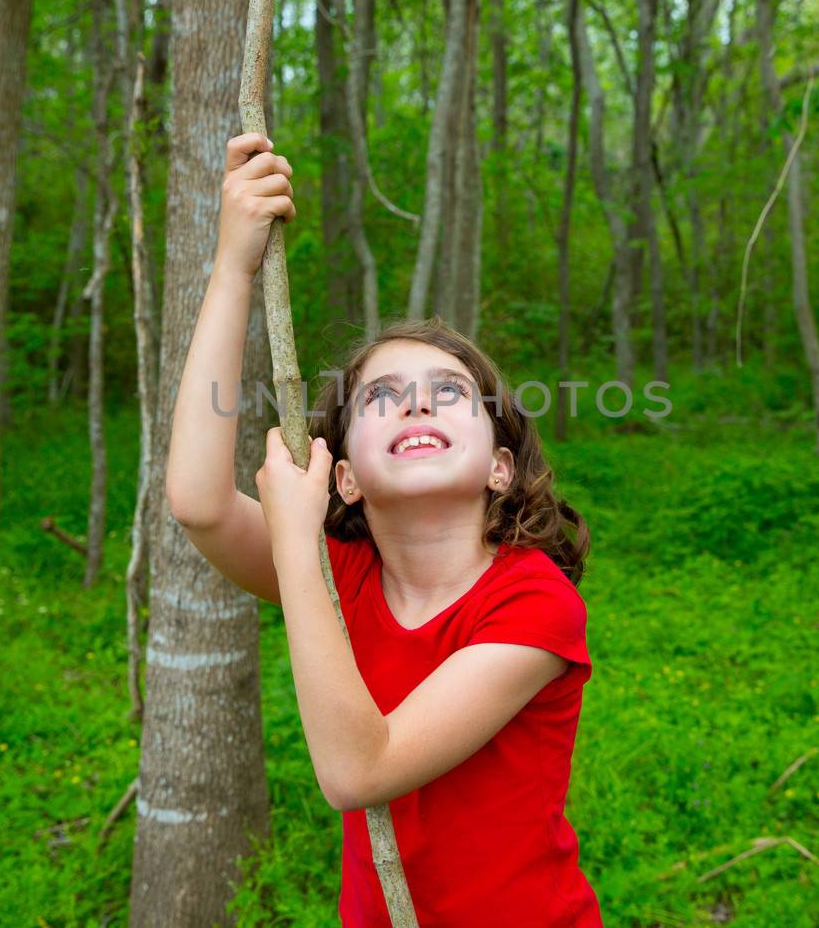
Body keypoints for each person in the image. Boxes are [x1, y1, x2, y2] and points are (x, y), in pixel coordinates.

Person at [166, 133, 602, 926]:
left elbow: (359, 770)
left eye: (449, 391)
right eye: (380, 396)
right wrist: (232, 267)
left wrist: (297, 543)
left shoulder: (534, 604)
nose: (416, 402)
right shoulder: (344, 573)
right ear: (347, 477)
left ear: (499, 467)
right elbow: (199, 501)